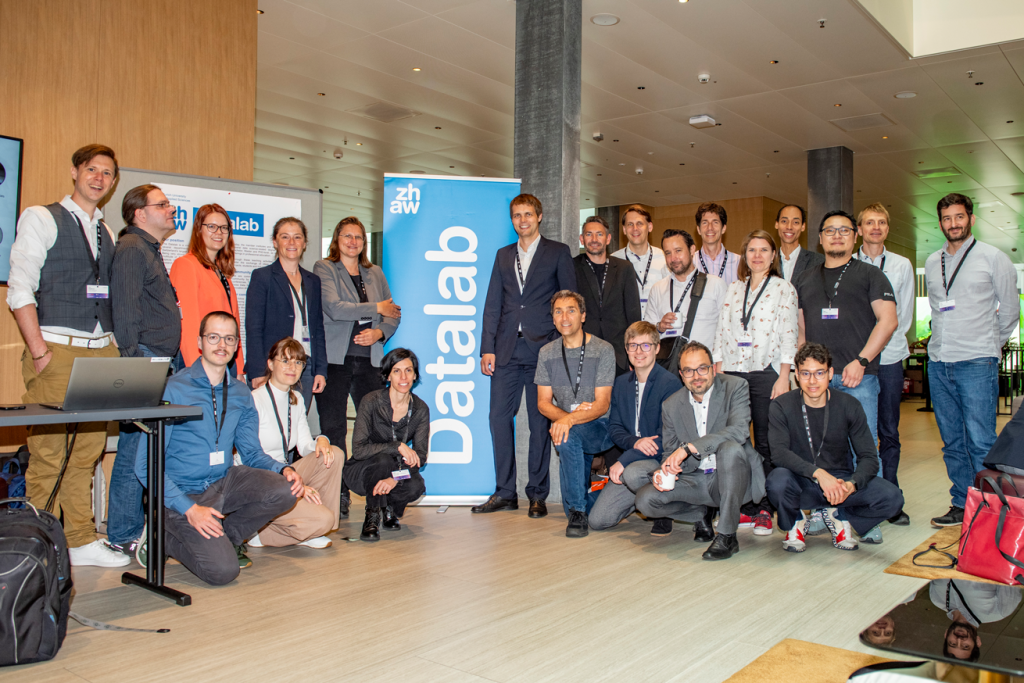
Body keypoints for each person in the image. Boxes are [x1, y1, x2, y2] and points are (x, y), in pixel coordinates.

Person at [7, 144, 126, 567]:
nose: (98, 178)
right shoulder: (42, 217)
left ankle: (78, 540)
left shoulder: (106, 231)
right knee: (49, 455)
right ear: (75, 172)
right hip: (57, 349)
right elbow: (20, 287)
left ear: (113, 182)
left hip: (101, 351)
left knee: (87, 452)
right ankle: (34, 545)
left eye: (107, 172)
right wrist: (39, 351)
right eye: (91, 169)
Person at [135, 312, 304, 584]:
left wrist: (283, 468)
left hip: (222, 484)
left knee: (284, 490)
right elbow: (145, 465)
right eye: (213, 337)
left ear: (237, 345)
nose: (221, 345)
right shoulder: (172, 389)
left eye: (228, 338)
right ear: (200, 342)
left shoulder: (240, 393)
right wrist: (189, 509)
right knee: (223, 572)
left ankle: (226, 538)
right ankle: (162, 533)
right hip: (181, 493)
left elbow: (251, 453)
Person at [794, 209, 897, 544]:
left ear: (854, 237)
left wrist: (862, 360)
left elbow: (888, 320)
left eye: (844, 230)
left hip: (858, 379)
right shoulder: (806, 278)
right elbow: (801, 330)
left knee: (864, 451)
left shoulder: (870, 275)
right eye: (830, 230)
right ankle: (832, 512)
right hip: (816, 382)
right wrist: (803, 372)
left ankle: (865, 516)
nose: (836, 236)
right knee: (821, 451)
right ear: (820, 238)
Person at [475, 194, 576, 518]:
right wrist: (486, 348)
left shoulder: (558, 252)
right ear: (513, 219)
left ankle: (537, 494)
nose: (523, 220)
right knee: (498, 420)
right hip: (505, 350)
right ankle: (505, 492)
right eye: (517, 215)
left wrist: (564, 346)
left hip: (542, 351)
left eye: (528, 214)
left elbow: (570, 301)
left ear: (539, 216)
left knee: (538, 423)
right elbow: (493, 304)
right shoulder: (503, 255)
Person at [924, 193, 1018, 529]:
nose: (953, 224)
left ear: (971, 219)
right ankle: (962, 503)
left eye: (959, 217)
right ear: (940, 224)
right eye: (947, 219)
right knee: (952, 441)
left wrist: (990, 344)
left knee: (980, 439)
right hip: (938, 361)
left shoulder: (994, 258)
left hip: (977, 362)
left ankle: (991, 511)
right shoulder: (934, 262)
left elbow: (1009, 312)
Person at [105, 183, 183, 559]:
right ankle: (122, 534)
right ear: (140, 213)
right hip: (144, 362)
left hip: (158, 361)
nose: (170, 209)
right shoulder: (133, 248)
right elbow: (125, 311)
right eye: (162, 204)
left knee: (145, 450)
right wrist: (137, 363)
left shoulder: (148, 249)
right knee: (134, 451)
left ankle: (132, 529)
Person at [766, 343, 904, 553]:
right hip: (801, 481)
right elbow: (779, 454)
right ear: (796, 375)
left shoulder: (849, 405)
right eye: (806, 374)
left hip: (841, 484)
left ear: (830, 373)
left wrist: (852, 485)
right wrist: (819, 474)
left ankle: (841, 515)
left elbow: (868, 457)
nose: (812, 381)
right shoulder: (781, 406)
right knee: (777, 481)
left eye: (819, 373)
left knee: (892, 498)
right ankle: (796, 520)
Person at [634, 341, 766, 561]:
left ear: (713, 368)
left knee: (730, 449)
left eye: (702, 368)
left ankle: (727, 535)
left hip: (732, 478)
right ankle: (700, 514)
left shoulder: (736, 387)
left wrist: (690, 448)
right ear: (681, 374)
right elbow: (669, 451)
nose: (696, 376)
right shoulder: (671, 405)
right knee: (645, 500)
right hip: (695, 480)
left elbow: (739, 431)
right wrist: (665, 470)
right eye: (688, 370)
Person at [712, 229, 798, 536]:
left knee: (765, 442)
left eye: (764, 250)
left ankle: (765, 507)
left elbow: (790, 334)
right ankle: (744, 505)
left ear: (773, 256)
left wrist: (785, 375)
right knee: (736, 441)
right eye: (752, 250)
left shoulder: (783, 288)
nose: (757, 255)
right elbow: (722, 331)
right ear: (745, 255)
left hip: (767, 372)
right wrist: (719, 370)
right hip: (734, 372)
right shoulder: (734, 288)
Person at [314, 217, 400, 518]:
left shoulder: (375, 272)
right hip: (336, 361)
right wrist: (376, 308)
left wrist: (380, 332)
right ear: (336, 239)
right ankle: (337, 493)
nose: (353, 242)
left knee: (376, 430)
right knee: (334, 428)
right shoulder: (324, 268)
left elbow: (394, 314)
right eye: (347, 236)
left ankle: (379, 492)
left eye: (358, 237)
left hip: (370, 362)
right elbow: (335, 308)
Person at [534, 291, 616, 537]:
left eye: (571, 310)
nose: (564, 317)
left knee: (566, 434)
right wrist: (567, 419)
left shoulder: (603, 349)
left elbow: (602, 405)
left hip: (601, 426)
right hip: (570, 428)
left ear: (583, 315)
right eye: (558, 312)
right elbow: (542, 403)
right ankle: (583, 509)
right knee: (568, 437)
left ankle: (578, 509)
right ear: (553, 319)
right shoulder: (547, 353)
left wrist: (567, 420)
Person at [247, 338, 342, 549]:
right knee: (322, 520)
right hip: (260, 478)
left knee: (334, 453)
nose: (293, 367)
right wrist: (292, 483)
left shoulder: (296, 398)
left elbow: (305, 445)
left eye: (298, 362)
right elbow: (245, 457)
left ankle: (311, 525)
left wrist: (322, 440)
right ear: (271, 364)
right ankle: (259, 533)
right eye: (286, 361)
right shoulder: (254, 400)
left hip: (285, 473)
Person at [855, 203, 915, 526]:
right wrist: (863, 351)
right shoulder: (850, 265)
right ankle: (864, 494)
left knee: (888, 430)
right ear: (859, 230)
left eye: (881, 223)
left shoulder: (902, 265)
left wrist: (879, 344)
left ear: (887, 229)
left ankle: (891, 497)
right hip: (858, 363)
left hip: (890, 358)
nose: (875, 228)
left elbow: (901, 317)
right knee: (859, 430)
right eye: (869, 223)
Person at [589, 321, 681, 533]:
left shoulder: (670, 384)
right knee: (598, 520)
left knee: (631, 474)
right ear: (626, 350)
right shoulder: (621, 384)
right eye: (633, 345)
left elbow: (668, 436)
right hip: (635, 459)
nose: (639, 351)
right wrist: (636, 443)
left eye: (646, 345)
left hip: (660, 460)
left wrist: (625, 459)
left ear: (657, 348)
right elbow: (615, 428)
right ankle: (639, 498)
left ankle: (662, 509)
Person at [346, 348, 429, 542]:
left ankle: (389, 507)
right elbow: (358, 450)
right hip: (362, 468)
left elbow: (421, 456)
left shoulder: (420, 409)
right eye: (396, 371)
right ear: (387, 375)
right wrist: (397, 446)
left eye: (408, 370)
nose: (403, 376)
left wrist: (395, 478)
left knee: (417, 486)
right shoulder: (371, 401)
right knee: (383, 460)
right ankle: (372, 514)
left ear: (415, 375)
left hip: (396, 469)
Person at [245, 217, 327, 409]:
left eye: (297, 237)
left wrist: (320, 369)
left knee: (298, 425)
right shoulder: (262, 277)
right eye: (285, 237)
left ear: (304, 243)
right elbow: (253, 328)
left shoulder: (313, 280)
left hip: (305, 366)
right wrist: (257, 371)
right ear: (275, 242)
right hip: (274, 367)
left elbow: (318, 328)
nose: (292, 243)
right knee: (271, 425)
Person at [170, 203, 244, 377]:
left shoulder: (221, 272)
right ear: (198, 230)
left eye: (224, 228)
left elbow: (235, 324)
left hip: (225, 360)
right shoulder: (186, 265)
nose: (218, 232)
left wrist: (239, 368)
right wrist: (197, 370)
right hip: (200, 364)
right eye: (211, 226)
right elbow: (187, 324)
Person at [644, 228, 727, 362]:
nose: (673, 258)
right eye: (668, 253)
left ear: (692, 249)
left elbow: (726, 330)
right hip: (668, 367)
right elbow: (646, 332)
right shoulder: (657, 289)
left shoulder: (715, 285)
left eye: (678, 250)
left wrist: (719, 363)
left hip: (705, 367)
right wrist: (659, 326)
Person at [574, 215, 642, 374]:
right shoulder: (572, 267)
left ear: (608, 238)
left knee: (619, 398)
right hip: (584, 353)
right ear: (581, 239)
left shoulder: (624, 268)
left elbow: (633, 314)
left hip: (618, 354)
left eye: (599, 234)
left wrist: (634, 351)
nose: (594, 239)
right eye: (588, 234)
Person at [611, 205, 669, 319]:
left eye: (639, 223)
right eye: (630, 224)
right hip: (626, 330)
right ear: (624, 229)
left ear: (650, 227)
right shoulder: (613, 261)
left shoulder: (664, 258)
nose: (635, 229)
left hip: (657, 329)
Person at [774, 204, 823, 283]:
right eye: (784, 221)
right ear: (777, 224)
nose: (789, 227)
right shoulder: (767, 261)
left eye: (796, 222)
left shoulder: (819, 262)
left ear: (803, 226)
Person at [693, 202, 739, 285]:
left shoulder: (739, 263)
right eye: (705, 222)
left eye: (715, 222)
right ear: (698, 230)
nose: (710, 227)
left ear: (724, 228)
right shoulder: (690, 263)